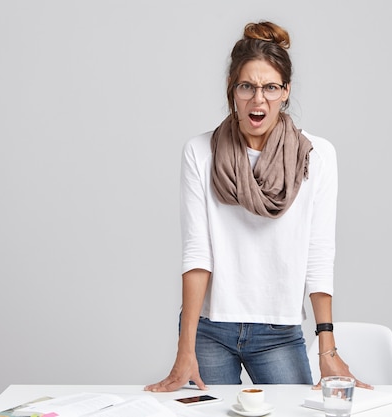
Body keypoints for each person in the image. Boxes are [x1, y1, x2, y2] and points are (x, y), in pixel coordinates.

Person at [145, 21, 370, 392]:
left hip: (278, 330)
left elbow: (318, 253)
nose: (258, 99)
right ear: (232, 90)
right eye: (247, 86)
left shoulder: (318, 155)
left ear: (286, 92)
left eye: (270, 87)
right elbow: (197, 253)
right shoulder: (200, 153)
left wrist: (327, 348)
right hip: (209, 330)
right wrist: (184, 348)